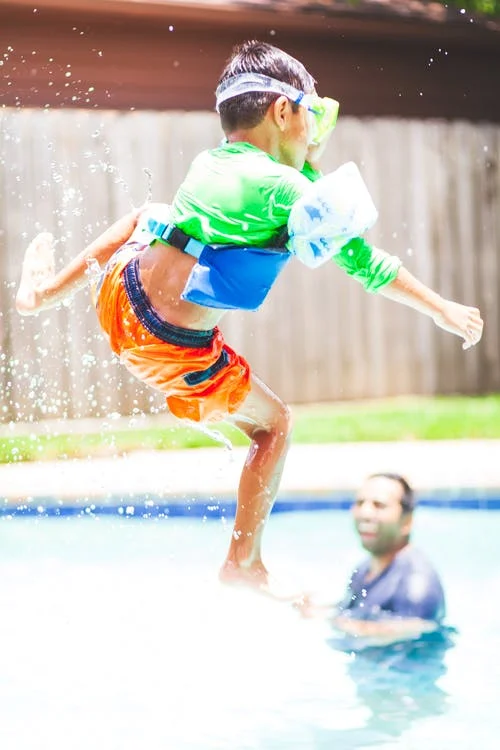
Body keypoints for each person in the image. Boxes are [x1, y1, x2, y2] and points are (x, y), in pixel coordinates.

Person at [15, 40, 483, 598]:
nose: (315, 134)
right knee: (276, 425)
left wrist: (303, 156)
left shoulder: (211, 162)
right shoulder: (287, 190)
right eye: (310, 116)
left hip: (119, 294)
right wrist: (443, 309)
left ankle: (41, 294)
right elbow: (368, 265)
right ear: (282, 112)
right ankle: (243, 561)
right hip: (169, 346)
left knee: (152, 215)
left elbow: (266, 186)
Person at [297, 473, 450, 645]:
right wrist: (313, 608)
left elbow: (408, 632)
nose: (365, 513)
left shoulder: (417, 584)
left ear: (407, 521)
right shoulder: (364, 570)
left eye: (379, 505)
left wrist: (328, 620)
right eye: (360, 503)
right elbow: (350, 610)